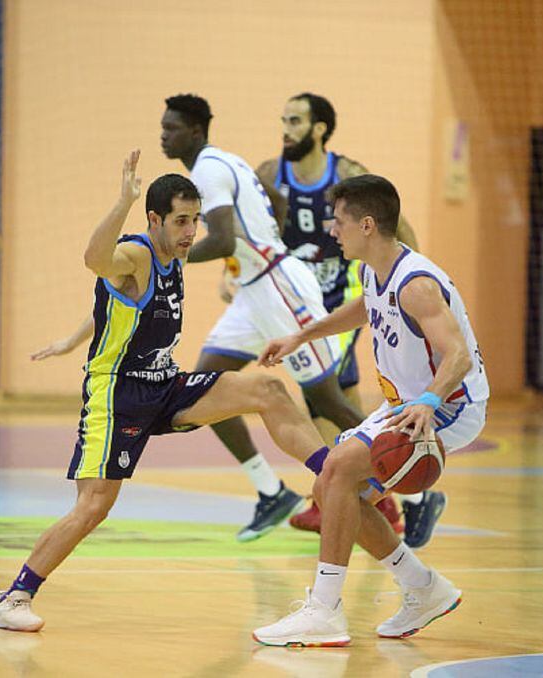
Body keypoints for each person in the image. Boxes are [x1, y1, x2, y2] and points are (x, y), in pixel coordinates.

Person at [0, 151, 331, 632]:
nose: (192, 231)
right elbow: (96, 262)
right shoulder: (136, 252)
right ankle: (13, 597)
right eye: (181, 221)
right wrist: (122, 201)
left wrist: (73, 337)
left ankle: (328, 472)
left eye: (196, 219)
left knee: (268, 389)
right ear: (154, 219)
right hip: (117, 395)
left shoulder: (174, 258)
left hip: (166, 386)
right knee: (93, 508)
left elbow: (116, 304)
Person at [253, 174, 489, 646]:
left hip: (449, 405)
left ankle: (325, 610)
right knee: (330, 486)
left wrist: (428, 402)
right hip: (409, 401)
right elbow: (367, 307)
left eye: (337, 222)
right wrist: (302, 335)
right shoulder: (374, 269)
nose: (330, 230)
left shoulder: (417, 284)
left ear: (366, 224)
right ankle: (422, 588)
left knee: (338, 470)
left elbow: (458, 356)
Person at [161, 94, 364, 542]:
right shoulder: (222, 162)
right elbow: (273, 198)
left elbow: (224, 241)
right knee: (203, 388)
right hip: (256, 290)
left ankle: (397, 484)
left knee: (326, 401)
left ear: (194, 132)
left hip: (278, 287)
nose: (163, 136)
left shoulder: (210, 169)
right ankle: (271, 492)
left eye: (170, 129)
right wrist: (266, 239)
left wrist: (167, 255)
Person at [256, 92, 443, 546]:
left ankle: (387, 497)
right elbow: (253, 232)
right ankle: (372, 498)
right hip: (296, 304)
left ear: (320, 128)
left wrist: (414, 278)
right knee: (336, 398)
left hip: (342, 302)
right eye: (283, 119)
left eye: (296, 120)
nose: (286, 128)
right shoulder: (267, 175)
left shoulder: (347, 174)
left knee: (323, 398)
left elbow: (397, 228)